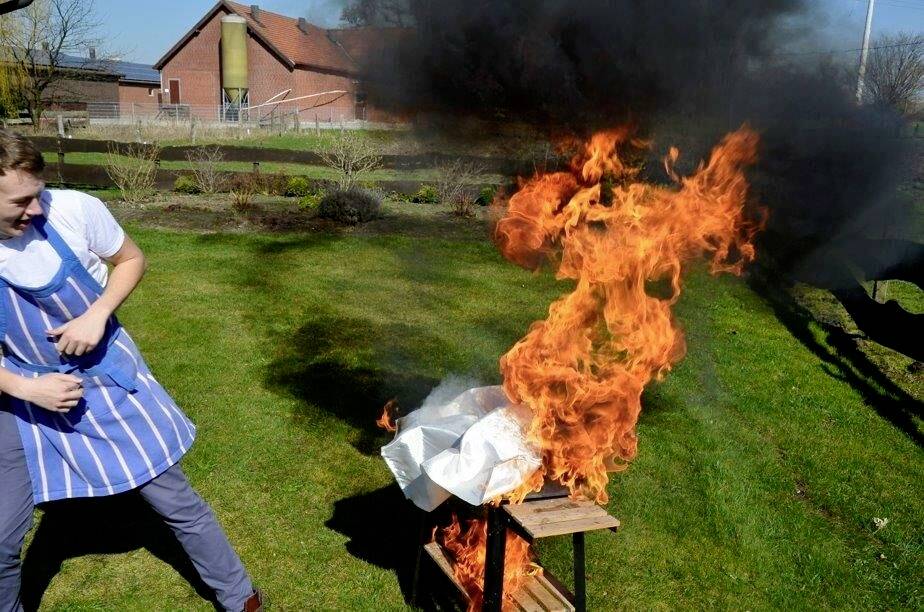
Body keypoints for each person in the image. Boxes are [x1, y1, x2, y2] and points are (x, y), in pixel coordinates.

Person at [0, 130, 262, 612]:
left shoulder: (74, 210)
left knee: (176, 503)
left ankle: (240, 596)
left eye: (38, 195)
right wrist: (24, 387)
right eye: (21, 201)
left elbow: (131, 258)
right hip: (21, 400)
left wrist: (97, 313)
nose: (36, 210)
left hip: (103, 379)